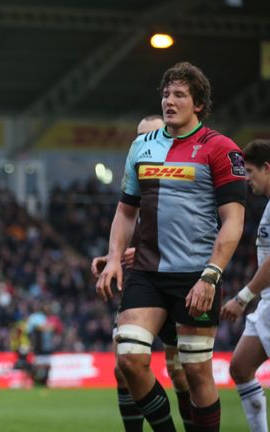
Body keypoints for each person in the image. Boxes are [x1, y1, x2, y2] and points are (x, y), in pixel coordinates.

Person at [96, 62, 247, 432]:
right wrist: (115, 257)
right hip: (147, 271)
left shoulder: (220, 149)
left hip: (195, 276)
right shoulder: (142, 146)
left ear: (198, 104)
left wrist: (211, 276)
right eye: (166, 94)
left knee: (195, 374)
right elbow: (125, 211)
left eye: (179, 94)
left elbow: (233, 221)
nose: (169, 100)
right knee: (129, 359)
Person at [91, 115, 195, 432]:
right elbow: (124, 222)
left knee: (182, 373)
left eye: (148, 136)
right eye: (138, 137)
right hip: (142, 285)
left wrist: (153, 251)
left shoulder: (180, 185)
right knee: (124, 367)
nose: (143, 143)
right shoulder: (136, 182)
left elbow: (196, 232)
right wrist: (112, 257)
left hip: (177, 280)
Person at [221, 139, 270, 432]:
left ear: (267, 168)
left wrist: (243, 297)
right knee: (240, 367)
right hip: (266, 302)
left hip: (263, 298)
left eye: (250, 172)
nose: (247, 179)